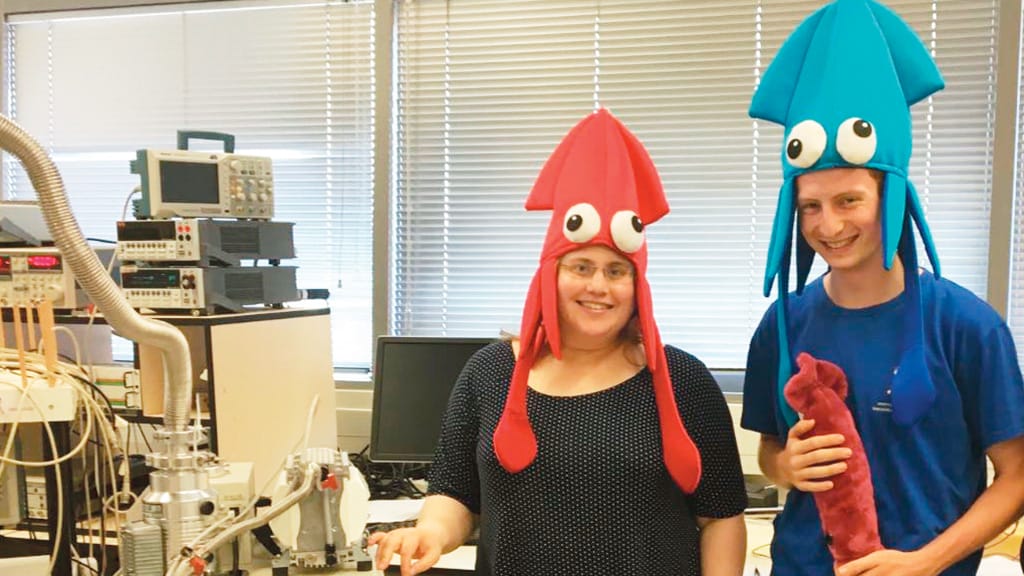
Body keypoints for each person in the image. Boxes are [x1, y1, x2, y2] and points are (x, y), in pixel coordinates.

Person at [369, 108, 747, 576]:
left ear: (637, 285)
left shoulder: (680, 379)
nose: (599, 287)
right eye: (580, 267)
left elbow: (721, 517)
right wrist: (430, 533)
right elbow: (455, 493)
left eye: (616, 271)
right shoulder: (490, 372)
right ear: (551, 274)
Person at [742, 1, 1024, 575]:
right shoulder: (783, 324)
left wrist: (923, 563)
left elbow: (1016, 479)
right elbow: (770, 450)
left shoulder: (967, 327)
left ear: (890, 197)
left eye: (850, 201)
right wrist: (784, 466)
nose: (829, 225)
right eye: (810, 207)